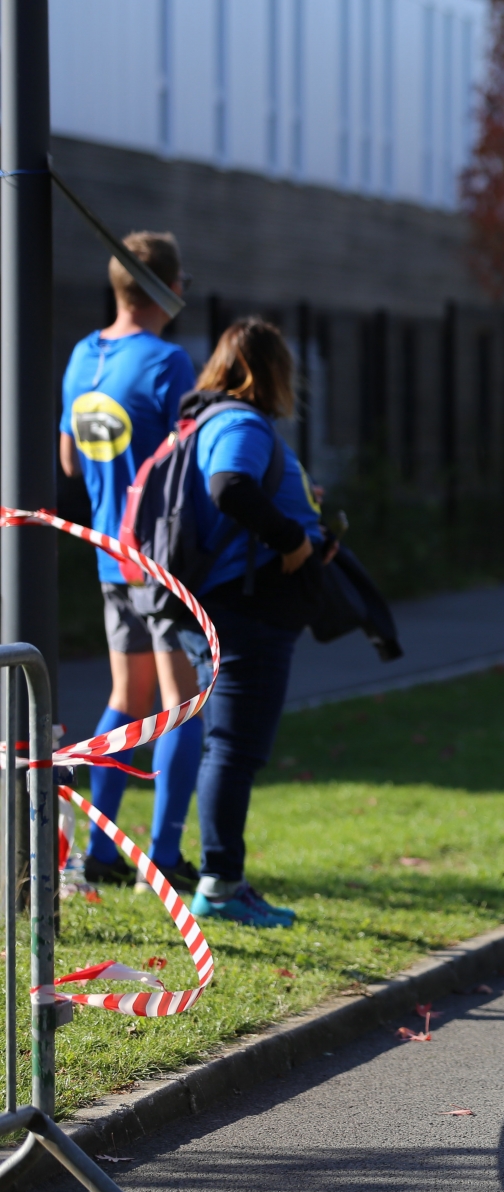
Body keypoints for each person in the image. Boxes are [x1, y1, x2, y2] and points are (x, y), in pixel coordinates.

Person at [57, 232, 203, 891]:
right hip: (162, 559)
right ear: (164, 288)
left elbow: (69, 461)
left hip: (110, 557)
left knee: (127, 698)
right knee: (180, 704)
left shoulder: (82, 356)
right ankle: (164, 856)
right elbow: (191, 465)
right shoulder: (169, 362)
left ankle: (99, 852)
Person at [177, 318, 333, 929]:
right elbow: (230, 487)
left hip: (231, 607)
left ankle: (223, 880)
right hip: (246, 611)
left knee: (227, 746)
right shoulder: (240, 422)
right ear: (272, 371)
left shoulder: (207, 419)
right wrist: (292, 537)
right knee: (233, 749)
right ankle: (220, 885)